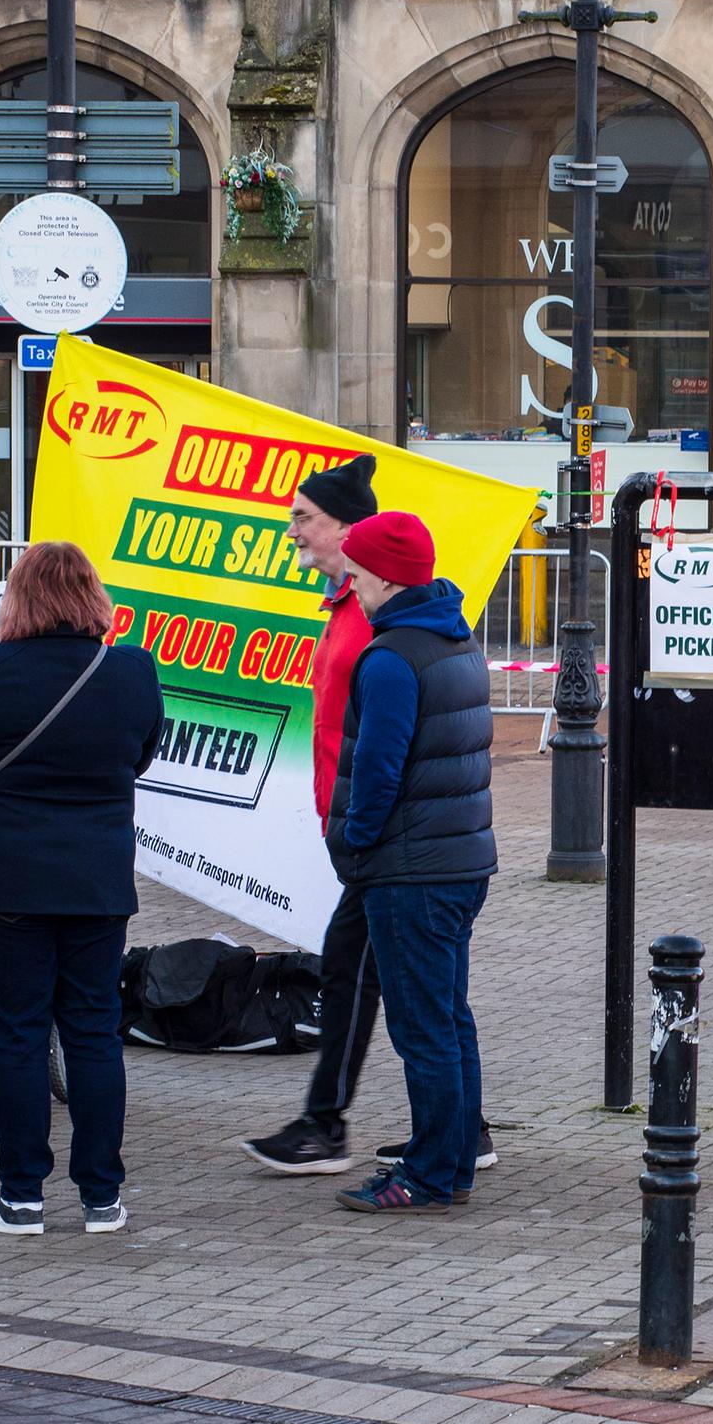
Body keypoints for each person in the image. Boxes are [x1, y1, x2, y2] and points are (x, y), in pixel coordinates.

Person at [241, 455, 499, 1179]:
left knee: (408, 1007)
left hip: (395, 850)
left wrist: (355, 835)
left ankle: (417, 1154)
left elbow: (384, 755)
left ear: (360, 546)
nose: (291, 530)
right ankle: (450, 1136)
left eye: (303, 518)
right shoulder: (429, 628)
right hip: (417, 848)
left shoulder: (385, 640)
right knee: (426, 1002)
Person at [0, 541, 161, 1236]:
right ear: (92, 595)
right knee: (93, 1033)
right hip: (96, 877)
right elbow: (138, 758)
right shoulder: (133, 671)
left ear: (19, 598)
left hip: (6, 880)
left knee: (20, 1036)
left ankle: (20, 1198)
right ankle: (102, 1197)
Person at [323, 512, 496, 1213]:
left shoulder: (392, 656)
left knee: (423, 1028)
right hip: (458, 859)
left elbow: (377, 765)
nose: (352, 585)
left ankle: (425, 1174)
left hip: (410, 867)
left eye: (358, 574)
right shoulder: (454, 638)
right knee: (449, 1018)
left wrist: (356, 840)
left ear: (386, 576)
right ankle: (451, 1163)